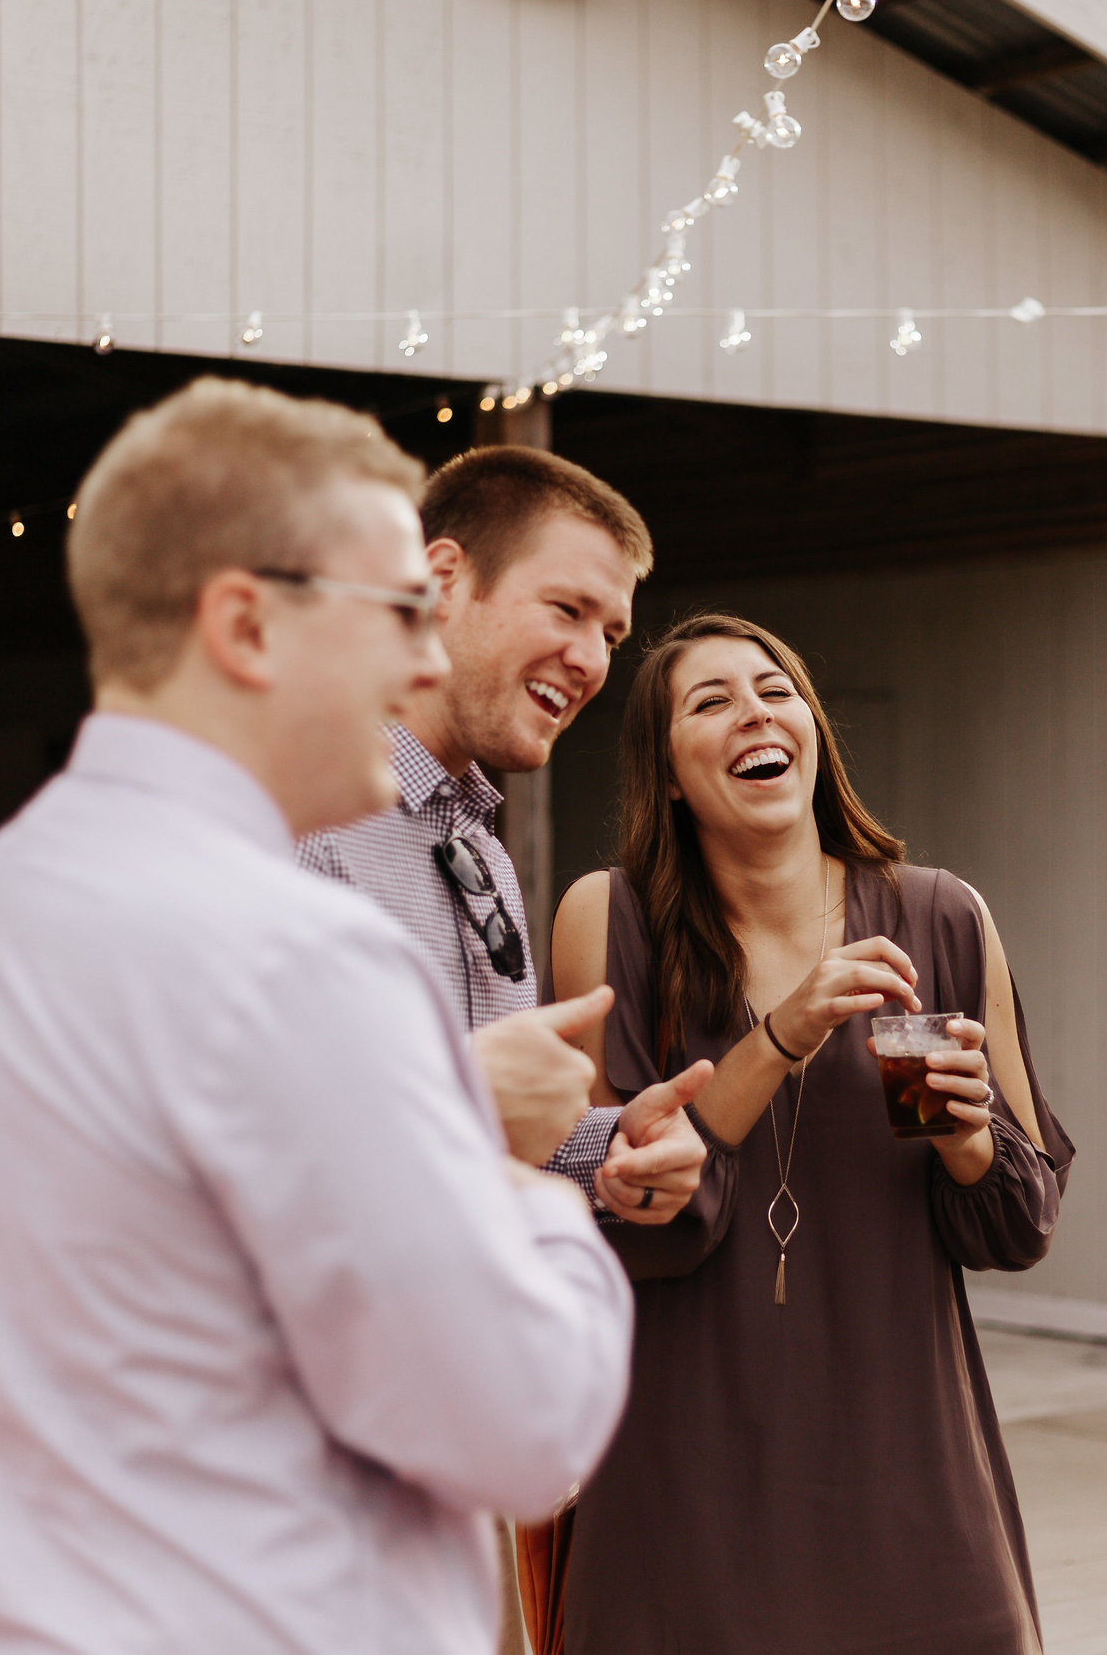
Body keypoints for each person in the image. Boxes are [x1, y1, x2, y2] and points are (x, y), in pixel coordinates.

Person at [0, 377, 645, 1653]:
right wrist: (538, 1205)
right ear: (245, 624)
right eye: (396, 609)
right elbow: (522, 1426)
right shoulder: (294, 952)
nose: (424, 655)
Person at [549, 613, 1074, 1654]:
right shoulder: (609, 918)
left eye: (776, 688)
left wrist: (968, 1136)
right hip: (681, 1482)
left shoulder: (940, 917)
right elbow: (636, 1217)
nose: (754, 710)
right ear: (666, 774)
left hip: (909, 1478)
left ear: (813, 731)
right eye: (710, 701)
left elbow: (1018, 1222)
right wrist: (784, 1031)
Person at [293, 445, 707, 1654]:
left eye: (613, 632)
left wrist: (605, 1147)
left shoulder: (478, 852)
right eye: (567, 607)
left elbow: (488, 1132)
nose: (592, 659)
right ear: (439, 578)